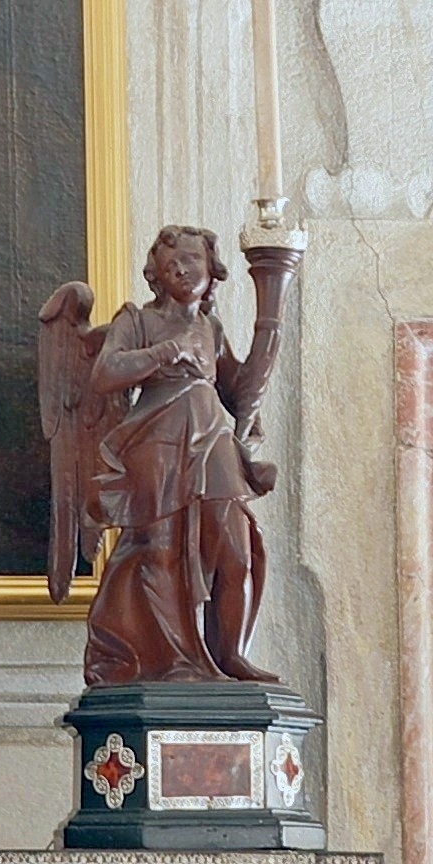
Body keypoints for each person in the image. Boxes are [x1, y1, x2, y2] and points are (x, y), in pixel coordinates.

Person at [40, 224, 275, 688]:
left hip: (212, 442)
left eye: (194, 261)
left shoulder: (210, 328)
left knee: (236, 550)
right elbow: (105, 373)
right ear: (157, 275)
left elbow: (239, 393)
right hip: (157, 442)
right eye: (173, 264)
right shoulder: (138, 320)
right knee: (160, 551)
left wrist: (273, 314)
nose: (184, 269)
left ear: (213, 272)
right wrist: (163, 352)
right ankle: (176, 662)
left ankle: (230, 656)